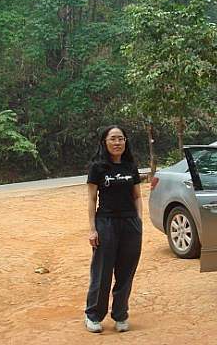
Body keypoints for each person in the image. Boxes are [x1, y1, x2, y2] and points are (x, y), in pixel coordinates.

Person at [84, 125, 143, 333]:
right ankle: (93, 315)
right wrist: (93, 229)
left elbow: (137, 196)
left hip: (130, 223)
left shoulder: (130, 165)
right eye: (113, 139)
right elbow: (91, 199)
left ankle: (120, 315)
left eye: (121, 139)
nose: (117, 143)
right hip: (106, 223)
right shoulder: (98, 167)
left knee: (126, 272)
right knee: (103, 271)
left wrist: (139, 222)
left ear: (126, 142)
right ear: (104, 142)